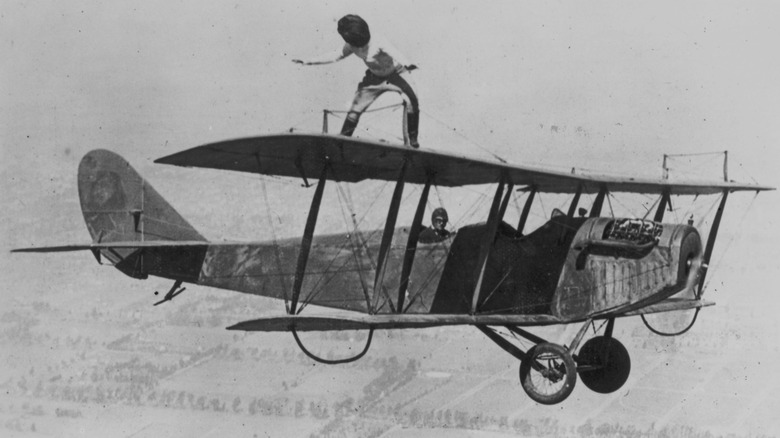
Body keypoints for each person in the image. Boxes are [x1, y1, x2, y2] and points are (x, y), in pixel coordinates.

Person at [292, 14, 420, 148]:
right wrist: (308, 61)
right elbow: (336, 55)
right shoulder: (352, 46)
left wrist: (408, 63)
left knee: (412, 100)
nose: (361, 49)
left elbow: (394, 52)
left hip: (396, 74)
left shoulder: (378, 40)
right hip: (374, 79)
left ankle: (413, 141)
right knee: (355, 109)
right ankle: (343, 141)